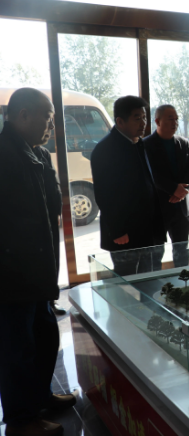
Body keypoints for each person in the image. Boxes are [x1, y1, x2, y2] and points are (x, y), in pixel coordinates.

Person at [0, 87, 76, 436]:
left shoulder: (39, 154)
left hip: (39, 271)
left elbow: (51, 207)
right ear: (23, 115)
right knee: (18, 349)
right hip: (12, 275)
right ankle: (20, 421)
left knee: (44, 338)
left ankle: (39, 398)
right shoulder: (4, 154)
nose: (51, 126)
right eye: (47, 118)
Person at [91, 96, 166, 276]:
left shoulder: (138, 143)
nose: (143, 123)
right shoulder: (105, 149)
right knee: (127, 281)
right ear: (120, 121)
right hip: (125, 233)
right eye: (137, 118)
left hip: (149, 229)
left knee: (151, 277)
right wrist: (117, 230)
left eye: (144, 117)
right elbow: (104, 194)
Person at [144, 104, 189, 268]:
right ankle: (156, 284)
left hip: (180, 209)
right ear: (157, 121)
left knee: (182, 251)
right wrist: (174, 189)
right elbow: (150, 174)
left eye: (176, 119)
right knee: (155, 254)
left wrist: (183, 190)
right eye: (170, 119)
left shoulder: (183, 143)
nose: (175, 122)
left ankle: (183, 280)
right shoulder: (145, 145)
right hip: (157, 209)